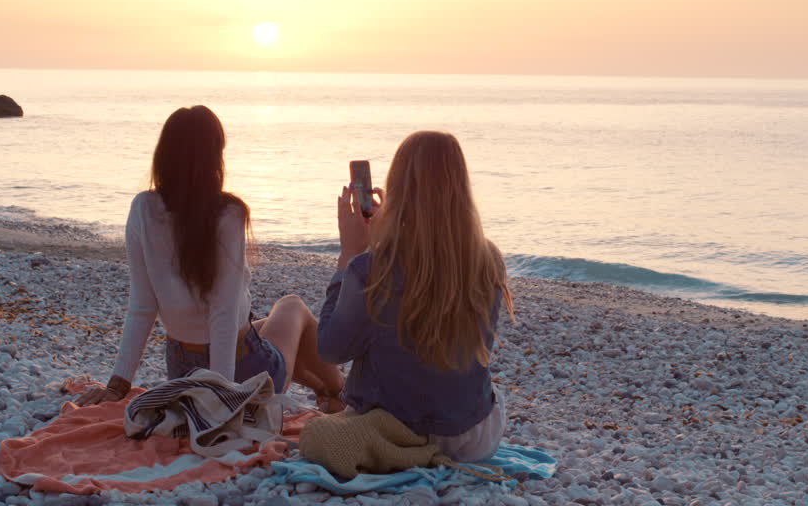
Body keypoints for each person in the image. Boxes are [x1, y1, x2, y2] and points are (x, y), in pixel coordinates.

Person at [76, 105, 344, 407]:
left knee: (264, 326)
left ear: (163, 156)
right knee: (293, 306)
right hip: (243, 373)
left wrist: (118, 385)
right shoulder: (227, 213)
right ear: (215, 159)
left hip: (181, 372)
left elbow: (142, 305)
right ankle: (341, 391)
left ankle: (325, 391)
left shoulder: (142, 209)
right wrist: (222, 397)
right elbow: (224, 313)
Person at [318, 130, 514, 461]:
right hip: (473, 438)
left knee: (318, 436)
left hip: (394, 433)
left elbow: (331, 350)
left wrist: (349, 256)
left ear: (398, 189)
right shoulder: (488, 260)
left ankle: (411, 450)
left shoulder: (370, 268)